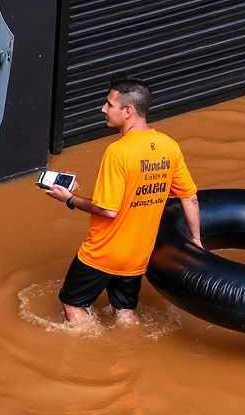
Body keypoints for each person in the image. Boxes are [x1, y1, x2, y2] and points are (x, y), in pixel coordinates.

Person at [44, 79, 201, 325]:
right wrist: (196, 241)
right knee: (125, 311)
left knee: (72, 302)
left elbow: (108, 210)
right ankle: (128, 354)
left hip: (103, 252)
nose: (103, 109)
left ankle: (90, 355)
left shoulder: (117, 152)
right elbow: (189, 196)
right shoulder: (169, 146)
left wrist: (70, 199)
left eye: (109, 104)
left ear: (127, 111)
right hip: (137, 254)